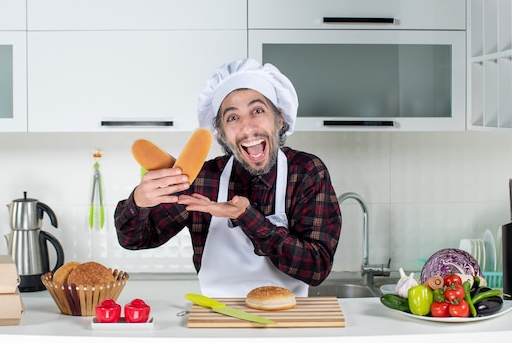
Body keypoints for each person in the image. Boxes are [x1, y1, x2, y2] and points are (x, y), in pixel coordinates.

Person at [114, 58, 342, 297]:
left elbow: (317, 268)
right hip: (218, 322)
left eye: (257, 111)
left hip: (288, 321)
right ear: (221, 134)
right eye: (233, 118)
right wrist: (139, 201)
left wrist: (246, 217)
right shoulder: (203, 180)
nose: (247, 128)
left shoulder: (306, 172)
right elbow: (134, 240)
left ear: (279, 118)